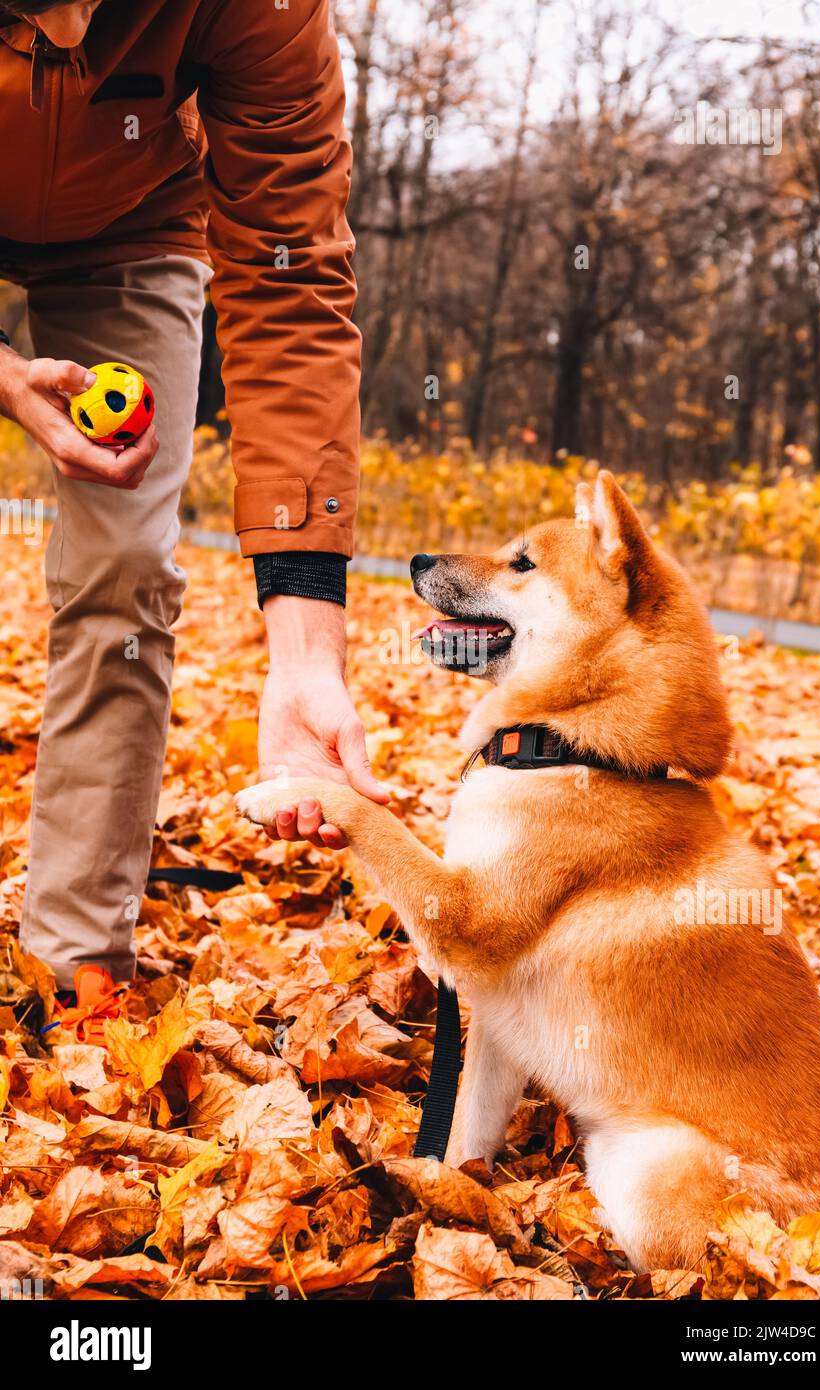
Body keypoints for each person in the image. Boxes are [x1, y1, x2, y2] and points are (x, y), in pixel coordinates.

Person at [0, 0, 386, 1039]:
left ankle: (75, 954)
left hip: (127, 229)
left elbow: (290, 281)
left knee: (125, 561)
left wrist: (308, 651)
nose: (77, 30)